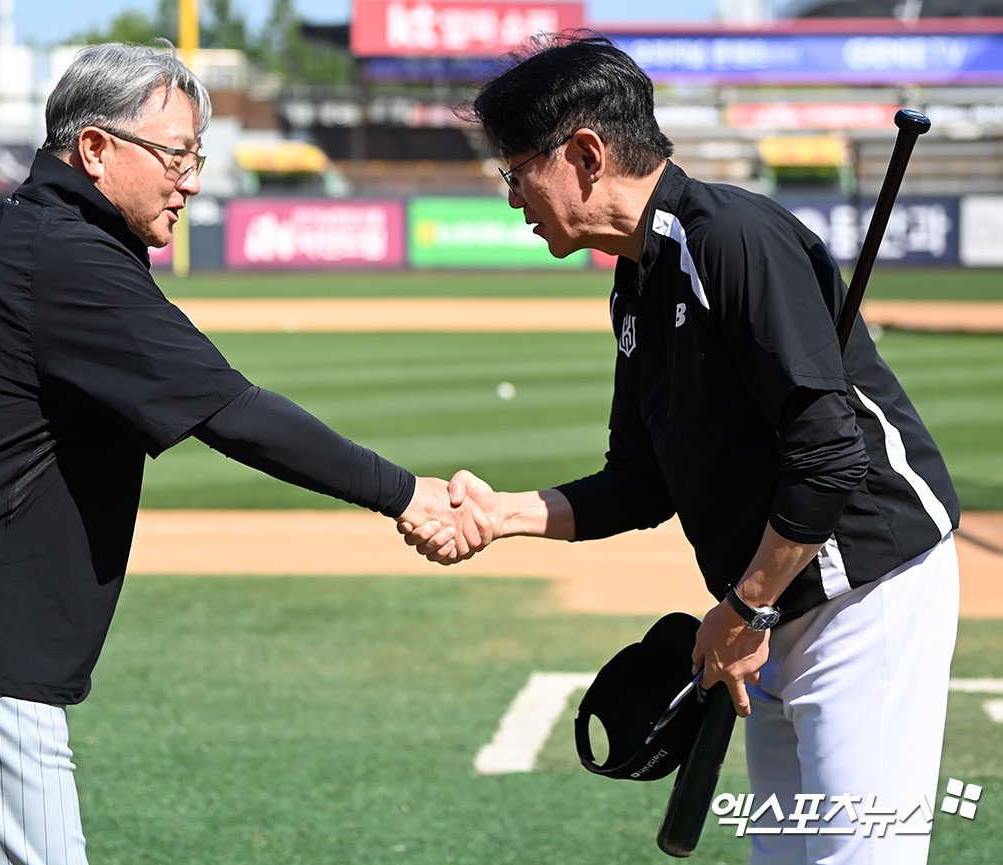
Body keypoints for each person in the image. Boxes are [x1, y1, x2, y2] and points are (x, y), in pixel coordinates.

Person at [0, 41, 482, 865]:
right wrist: (407, 493)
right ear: (96, 150)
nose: (194, 178)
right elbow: (231, 410)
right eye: (176, 153)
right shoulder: (61, 258)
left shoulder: (29, 237)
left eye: (198, 154)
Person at [405, 33, 960, 865]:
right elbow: (640, 481)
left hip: (863, 587)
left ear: (585, 154)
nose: (513, 196)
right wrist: (503, 514)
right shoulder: (638, 279)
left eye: (515, 169)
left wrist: (743, 610)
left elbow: (828, 455)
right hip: (768, 601)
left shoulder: (733, 240)